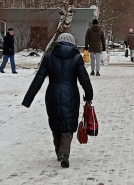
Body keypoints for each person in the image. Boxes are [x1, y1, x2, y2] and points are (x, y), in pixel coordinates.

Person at [22, 33, 93, 168]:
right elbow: (84, 79)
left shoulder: (49, 57)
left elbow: (39, 78)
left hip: (52, 94)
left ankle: (59, 152)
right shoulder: (77, 58)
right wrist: (89, 95)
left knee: (56, 123)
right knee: (68, 123)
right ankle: (64, 153)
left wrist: (28, 99)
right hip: (71, 94)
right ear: (72, 43)